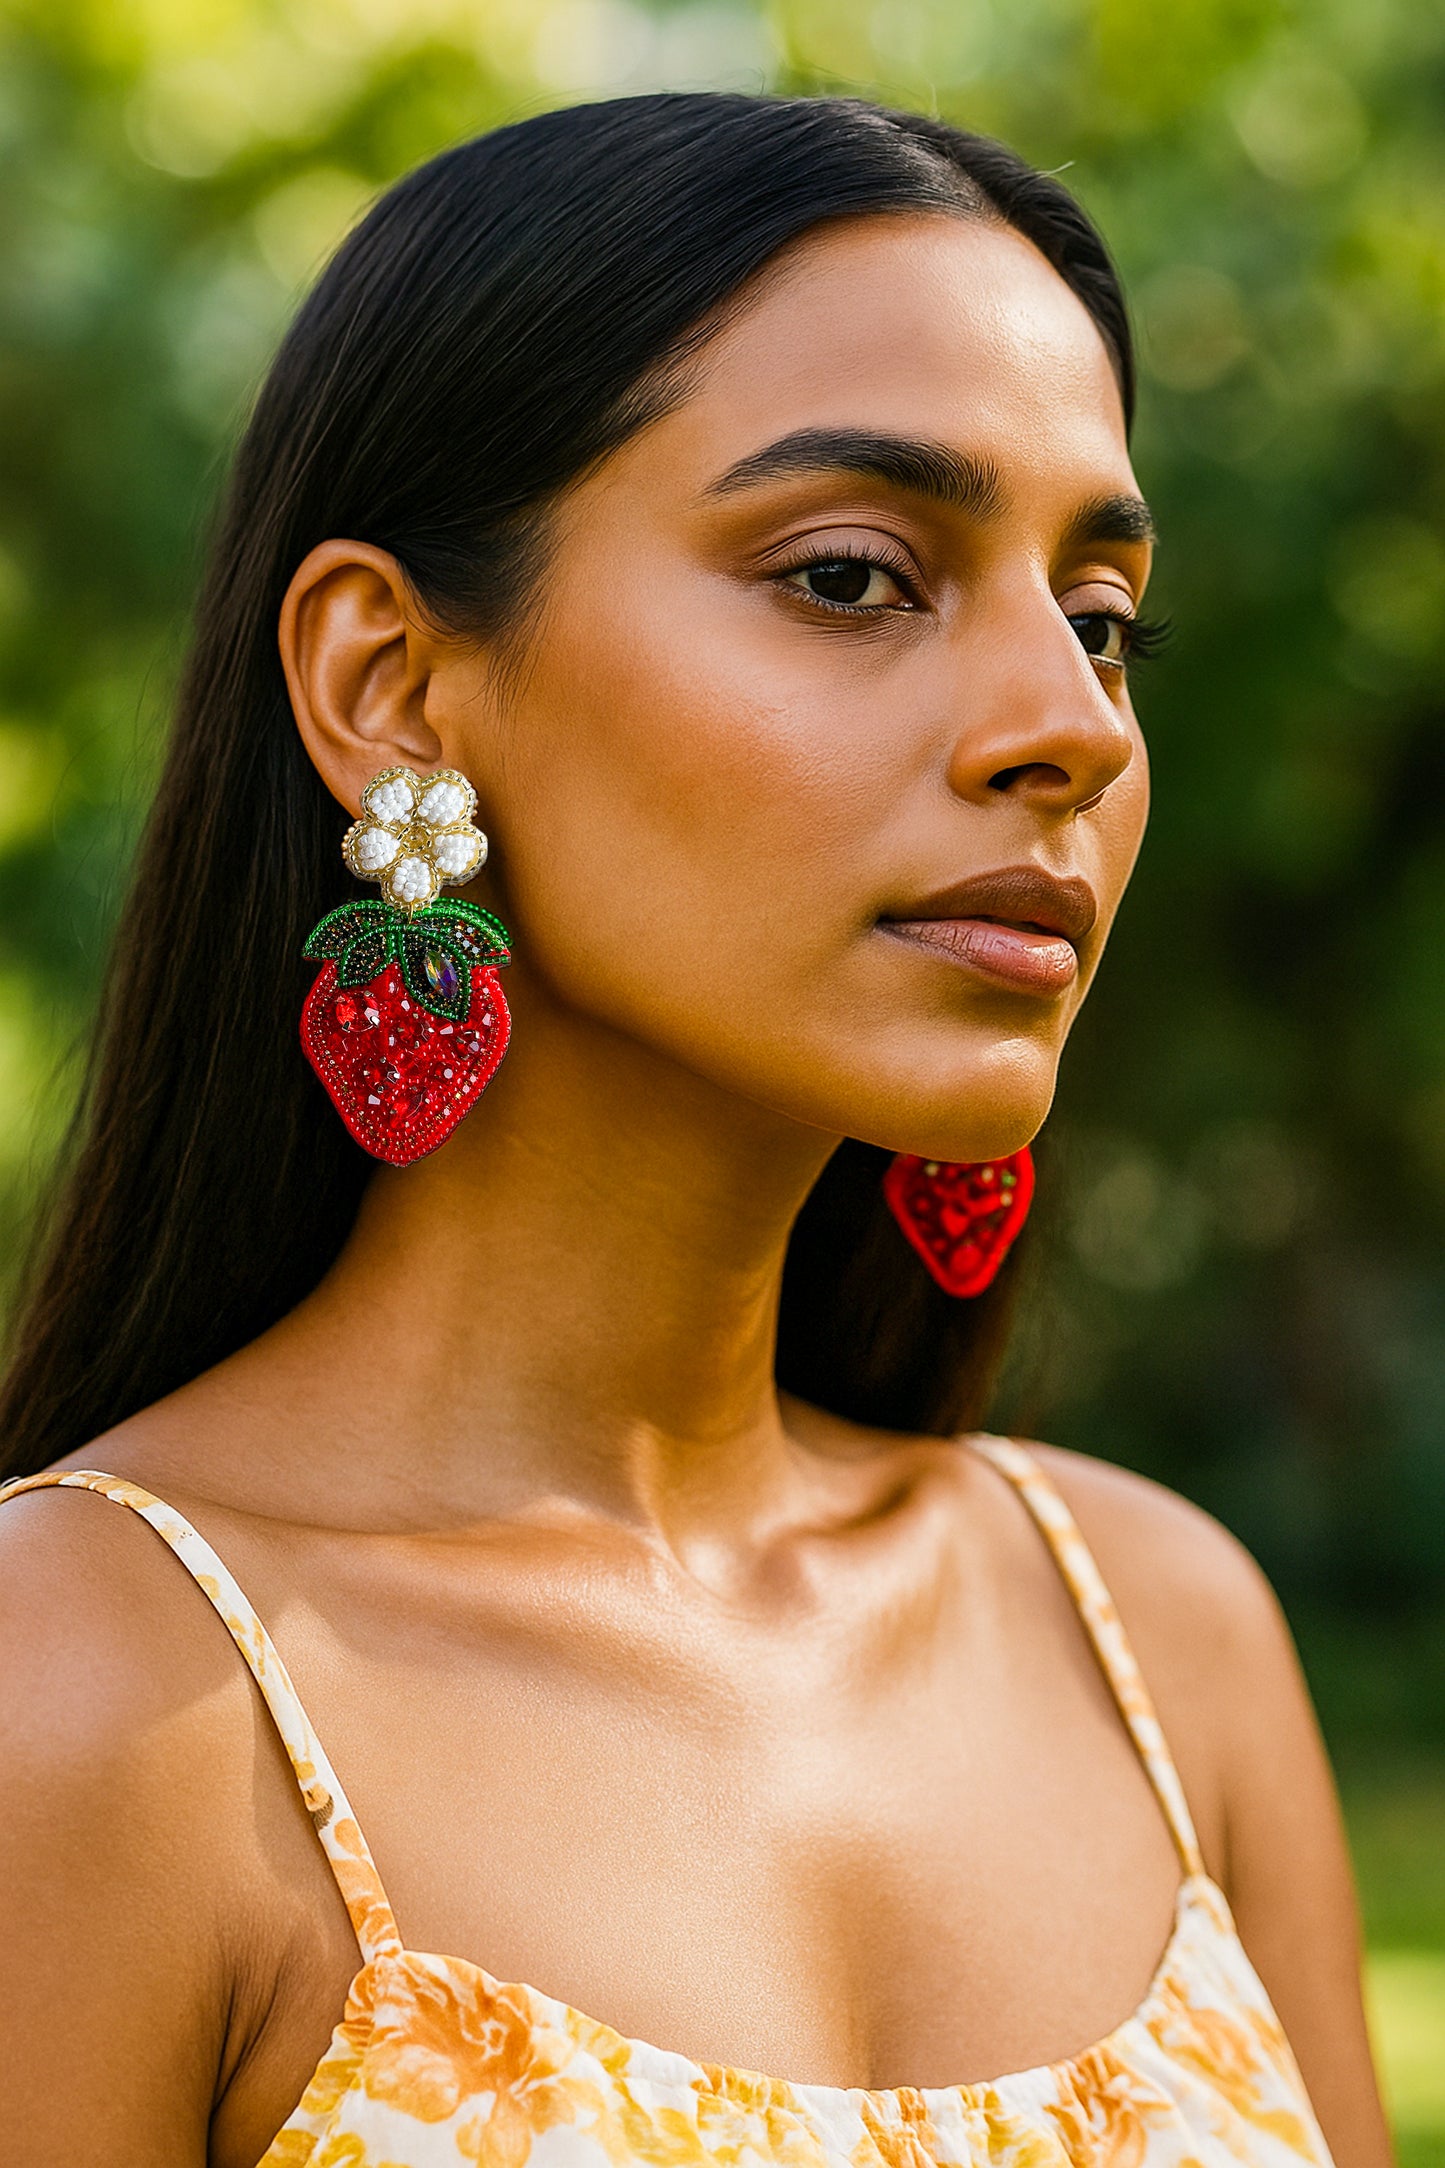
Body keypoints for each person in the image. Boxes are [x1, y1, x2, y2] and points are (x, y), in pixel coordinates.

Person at [0, 93, 1390, 2168]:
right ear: (390, 684)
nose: (1074, 726)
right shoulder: (91, 1702)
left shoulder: (1158, 1640)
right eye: (853, 575)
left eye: (1102, 620)